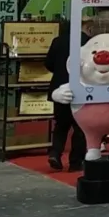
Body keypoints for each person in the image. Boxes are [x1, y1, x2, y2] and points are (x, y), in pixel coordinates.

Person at [44, 20, 87, 172]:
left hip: (59, 87)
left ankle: (55, 153)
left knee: (61, 125)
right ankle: (75, 162)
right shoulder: (87, 41)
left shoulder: (57, 41)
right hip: (81, 87)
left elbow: (48, 63)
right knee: (80, 127)